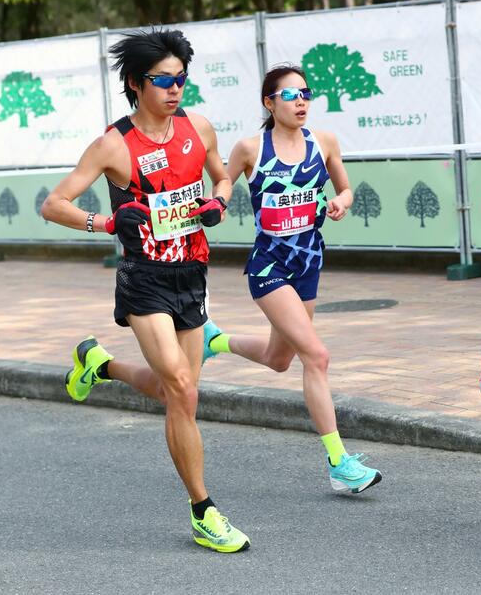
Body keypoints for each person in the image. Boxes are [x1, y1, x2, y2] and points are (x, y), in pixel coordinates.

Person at [62, 64, 382, 497]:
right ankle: (338, 462)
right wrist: (111, 221)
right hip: (265, 266)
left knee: (277, 359)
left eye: (306, 92)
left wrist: (338, 202)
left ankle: (126, 360)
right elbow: (226, 177)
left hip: (303, 262)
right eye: (290, 95)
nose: (302, 100)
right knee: (316, 356)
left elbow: (231, 184)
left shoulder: (322, 143)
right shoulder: (250, 147)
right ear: (269, 103)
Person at [41, 28, 250, 553]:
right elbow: (54, 204)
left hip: (193, 272)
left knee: (178, 393)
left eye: (181, 79)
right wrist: (108, 224)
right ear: (136, 84)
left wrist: (218, 204)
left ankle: (99, 366)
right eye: (163, 81)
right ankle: (203, 511)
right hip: (145, 279)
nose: (175, 89)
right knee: (179, 386)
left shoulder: (197, 128)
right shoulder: (114, 144)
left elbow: (223, 179)